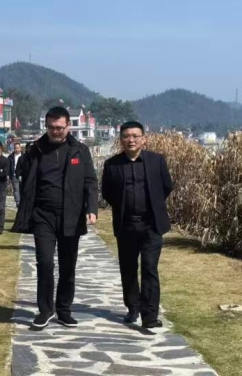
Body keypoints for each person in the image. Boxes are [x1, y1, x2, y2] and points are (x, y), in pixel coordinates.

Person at [11, 107, 98, 329]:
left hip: (71, 215)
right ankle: (45, 309)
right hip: (43, 215)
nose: (55, 131)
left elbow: (90, 181)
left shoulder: (80, 150)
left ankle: (64, 310)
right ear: (46, 126)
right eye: (51, 127)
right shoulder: (36, 149)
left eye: (59, 127)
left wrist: (91, 208)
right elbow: (22, 173)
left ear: (68, 126)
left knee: (68, 265)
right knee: (45, 262)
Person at [101, 121, 173, 329]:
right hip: (126, 225)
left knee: (150, 268)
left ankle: (150, 315)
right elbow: (107, 192)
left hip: (151, 225)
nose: (130, 140)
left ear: (144, 139)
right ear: (120, 140)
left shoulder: (156, 161)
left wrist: (154, 205)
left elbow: (167, 186)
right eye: (126, 136)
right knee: (128, 269)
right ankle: (133, 307)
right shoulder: (112, 164)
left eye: (135, 136)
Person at [8, 142, 23, 207]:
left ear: (20, 148)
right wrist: (9, 175)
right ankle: (18, 203)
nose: (16, 149)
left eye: (18, 148)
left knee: (22, 189)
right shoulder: (10, 157)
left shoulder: (24, 156)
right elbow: (8, 167)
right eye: (15, 148)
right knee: (16, 189)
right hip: (14, 175)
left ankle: (23, 201)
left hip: (23, 175)